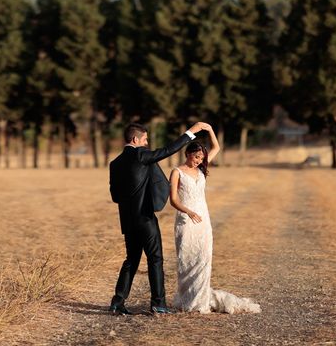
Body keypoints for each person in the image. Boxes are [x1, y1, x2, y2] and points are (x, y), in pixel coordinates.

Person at [108, 121, 210, 315]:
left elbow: (115, 196)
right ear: (135, 139)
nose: (147, 143)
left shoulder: (115, 163)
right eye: (145, 139)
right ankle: (158, 304)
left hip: (127, 220)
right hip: (145, 218)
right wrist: (191, 132)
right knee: (155, 259)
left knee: (131, 260)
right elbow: (168, 150)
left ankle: (117, 302)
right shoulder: (140, 155)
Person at [169, 126, 261, 314]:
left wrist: (209, 129)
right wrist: (187, 211)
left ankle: (200, 300)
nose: (198, 161)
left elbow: (216, 147)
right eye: (195, 157)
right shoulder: (177, 172)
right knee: (186, 259)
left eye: (201, 158)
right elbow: (173, 199)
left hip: (203, 219)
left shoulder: (203, 168)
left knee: (203, 258)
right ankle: (187, 299)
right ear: (187, 154)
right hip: (185, 221)